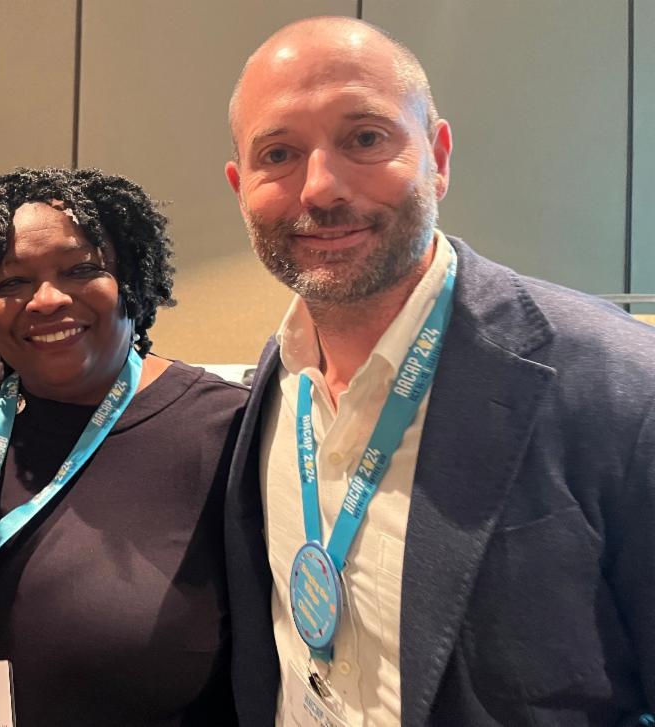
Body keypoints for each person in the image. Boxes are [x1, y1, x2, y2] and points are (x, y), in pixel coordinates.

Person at [222, 15, 655, 727]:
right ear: (242, 184)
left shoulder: (619, 387)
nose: (321, 189)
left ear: (439, 156)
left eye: (365, 138)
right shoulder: (271, 384)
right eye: (279, 153)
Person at [0, 167, 277, 726]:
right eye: (11, 281)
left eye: (82, 269)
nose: (45, 300)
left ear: (133, 279)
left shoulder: (224, 431)